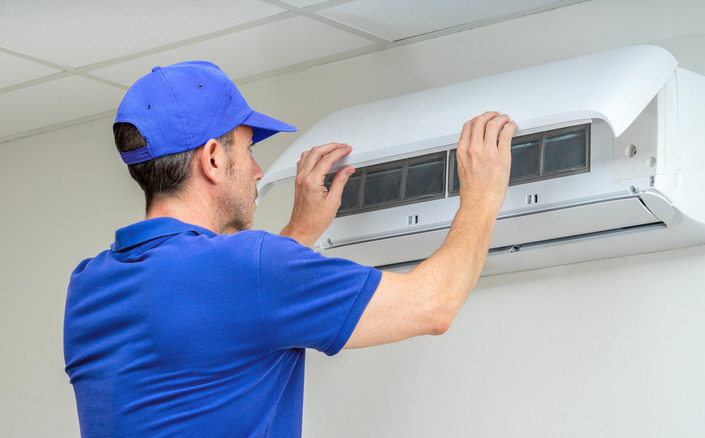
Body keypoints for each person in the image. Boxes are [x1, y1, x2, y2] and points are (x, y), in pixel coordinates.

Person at [64, 61, 516, 437]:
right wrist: (482, 193)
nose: (258, 170)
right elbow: (432, 306)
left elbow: (212, 318)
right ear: (213, 159)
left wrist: (298, 232)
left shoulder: (89, 287)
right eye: (246, 148)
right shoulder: (251, 267)